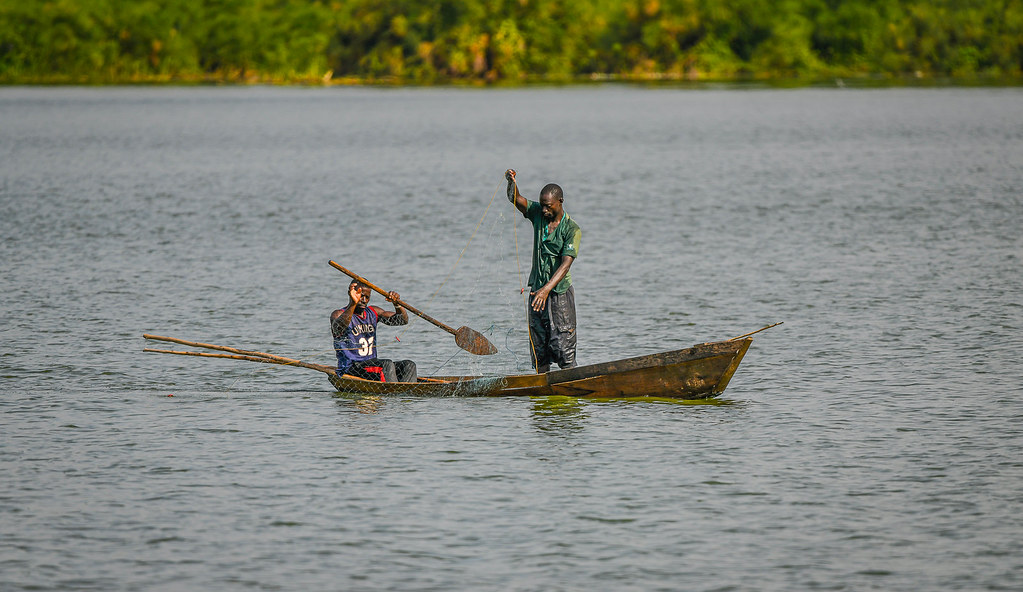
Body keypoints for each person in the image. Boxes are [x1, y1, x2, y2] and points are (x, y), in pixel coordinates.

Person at [505, 168, 582, 373]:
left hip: (559, 294)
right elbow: (516, 199)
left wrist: (546, 290)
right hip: (536, 292)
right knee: (539, 349)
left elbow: (566, 264)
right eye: (542, 205)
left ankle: (569, 383)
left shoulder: (571, 229)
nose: (544, 210)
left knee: (564, 347)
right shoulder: (538, 214)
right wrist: (511, 182)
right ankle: (542, 385)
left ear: (560, 202)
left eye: (548, 206)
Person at [331, 279, 417, 382]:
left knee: (409, 365)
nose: (364, 300)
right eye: (360, 296)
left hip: (372, 366)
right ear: (351, 294)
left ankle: (406, 391)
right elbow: (338, 329)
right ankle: (392, 390)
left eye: (367, 297)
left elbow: (402, 320)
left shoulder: (373, 312)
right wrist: (353, 304)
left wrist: (397, 304)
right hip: (352, 367)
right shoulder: (338, 314)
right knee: (386, 364)